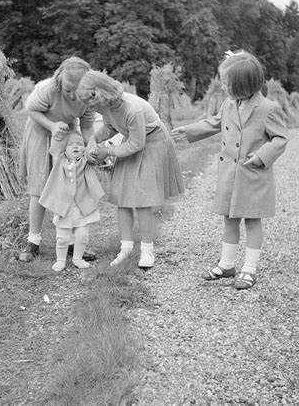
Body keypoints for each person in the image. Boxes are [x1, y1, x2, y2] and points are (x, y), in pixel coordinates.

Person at [172, 51, 288, 289]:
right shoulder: (229, 103)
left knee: (253, 222)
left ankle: (249, 268)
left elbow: (280, 139)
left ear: (244, 84)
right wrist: (189, 130)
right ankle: (227, 264)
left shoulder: (268, 108)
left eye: (227, 83)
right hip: (229, 175)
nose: (223, 87)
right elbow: (214, 122)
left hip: (253, 175)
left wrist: (261, 156)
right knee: (229, 219)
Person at [75, 70, 185, 269]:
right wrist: (93, 139)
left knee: (143, 199)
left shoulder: (132, 109)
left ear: (101, 96)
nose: (95, 111)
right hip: (133, 142)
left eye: (94, 106)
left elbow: (137, 144)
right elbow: (110, 127)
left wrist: (108, 151)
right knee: (122, 197)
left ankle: (147, 250)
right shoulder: (107, 107)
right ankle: (125, 249)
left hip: (151, 142)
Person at [19, 57, 97, 262]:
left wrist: (91, 148)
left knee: (69, 184)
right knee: (39, 186)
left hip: (67, 135)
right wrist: (53, 127)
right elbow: (31, 109)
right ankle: (33, 241)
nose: (72, 94)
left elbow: (87, 127)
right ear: (60, 78)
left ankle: (70, 242)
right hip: (40, 131)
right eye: (68, 89)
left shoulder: (89, 96)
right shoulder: (49, 89)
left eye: (76, 90)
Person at [39, 130, 105, 271]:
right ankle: (60, 260)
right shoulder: (59, 159)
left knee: (82, 235)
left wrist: (92, 148)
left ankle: (77, 259)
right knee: (62, 237)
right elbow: (55, 146)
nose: (75, 146)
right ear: (64, 148)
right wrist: (58, 131)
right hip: (65, 207)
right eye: (70, 144)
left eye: (79, 144)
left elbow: (96, 154)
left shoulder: (86, 161)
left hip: (83, 206)